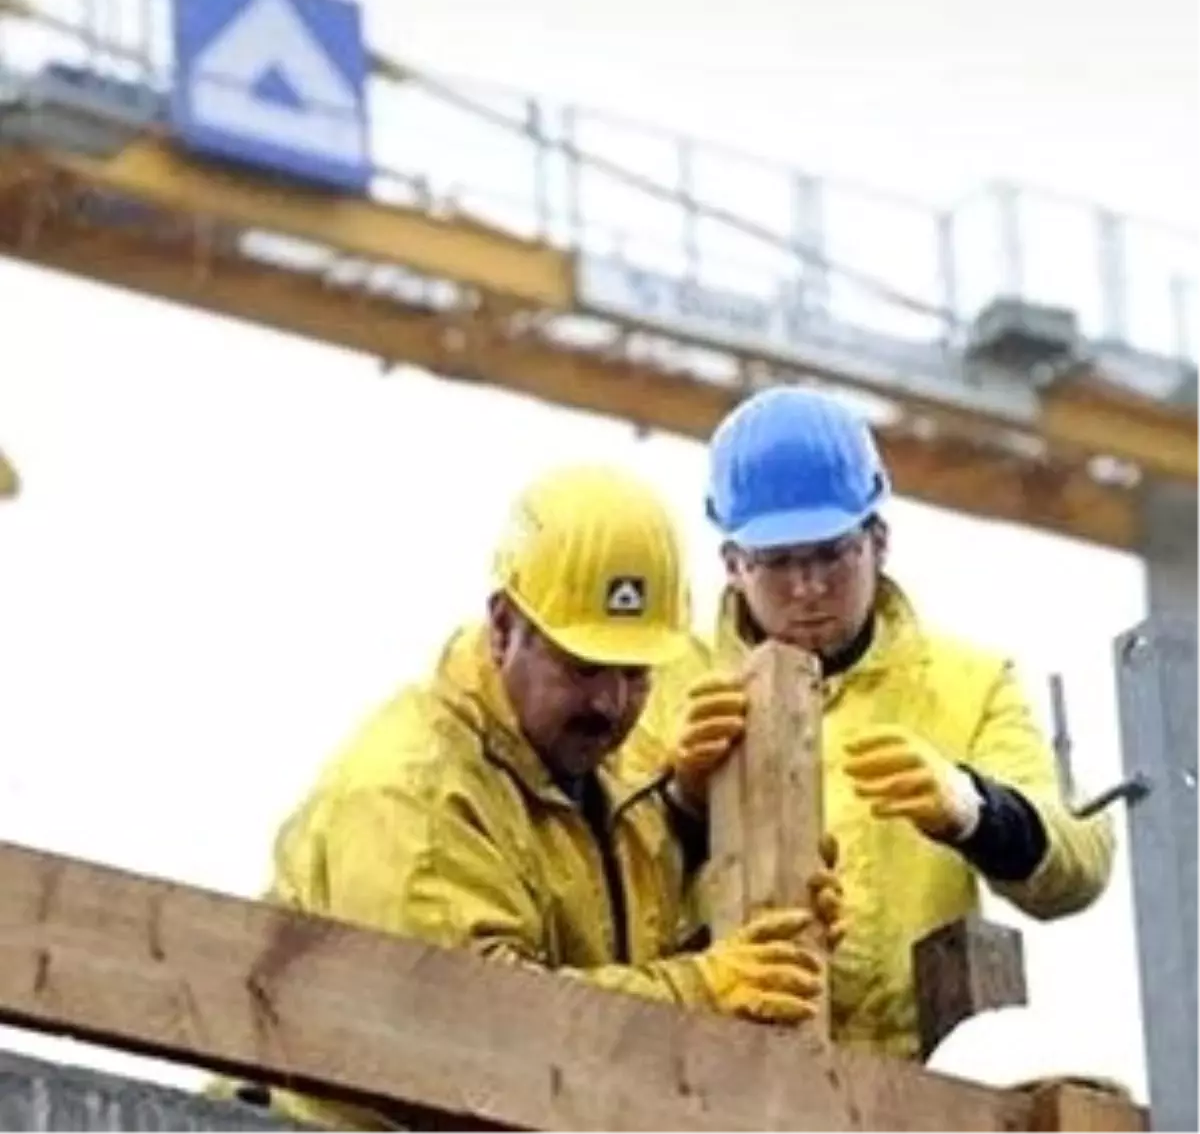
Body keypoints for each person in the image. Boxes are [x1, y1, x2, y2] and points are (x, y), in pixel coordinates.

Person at [214, 463, 844, 1131]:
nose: (610, 703)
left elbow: (610, 949)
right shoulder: (411, 795)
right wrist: (701, 991)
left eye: (635, 674)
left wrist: (720, 864)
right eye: (581, 668)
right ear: (503, 626)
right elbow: (471, 1038)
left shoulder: (610, 774)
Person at [638, 385, 1115, 1063]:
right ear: (733, 566)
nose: (807, 587)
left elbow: (1079, 864)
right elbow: (602, 891)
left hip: (916, 1096)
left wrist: (972, 809)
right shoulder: (659, 685)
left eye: (832, 554)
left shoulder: (967, 685)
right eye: (778, 562)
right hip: (708, 1079)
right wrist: (680, 804)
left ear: (879, 541)